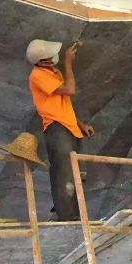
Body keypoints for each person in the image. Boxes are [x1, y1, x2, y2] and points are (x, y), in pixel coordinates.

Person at [26, 40, 94, 221]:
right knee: (64, 173)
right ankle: (66, 216)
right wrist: (68, 62)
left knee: (77, 174)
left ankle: (76, 216)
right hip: (57, 128)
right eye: (49, 56)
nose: (53, 57)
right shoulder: (37, 75)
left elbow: (65, 104)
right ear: (42, 61)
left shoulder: (54, 72)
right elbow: (70, 90)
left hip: (71, 128)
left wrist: (81, 124)